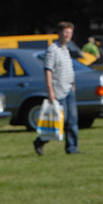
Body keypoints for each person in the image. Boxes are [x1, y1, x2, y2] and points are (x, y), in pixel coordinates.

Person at [33, 21, 80, 156]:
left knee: (72, 119)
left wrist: (72, 85)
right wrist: (50, 91)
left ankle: (72, 148)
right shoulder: (52, 49)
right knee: (59, 120)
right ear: (59, 33)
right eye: (65, 32)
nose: (67, 35)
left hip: (68, 88)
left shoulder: (66, 49)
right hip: (58, 90)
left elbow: (68, 69)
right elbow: (48, 70)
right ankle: (40, 141)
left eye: (70, 32)